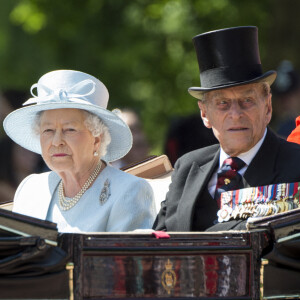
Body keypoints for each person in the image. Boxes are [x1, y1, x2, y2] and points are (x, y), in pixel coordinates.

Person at [153, 26, 300, 232]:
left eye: (247, 100)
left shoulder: (295, 164)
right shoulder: (187, 168)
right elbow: (157, 244)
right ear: (205, 114)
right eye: (222, 103)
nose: (235, 113)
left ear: (267, 106)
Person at [3, 70, 156, 233]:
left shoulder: (130, 191)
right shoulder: (31, 188)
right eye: (48, 130)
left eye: (69, 129)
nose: (56, 141)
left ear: (97, 139)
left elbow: (123, 258)